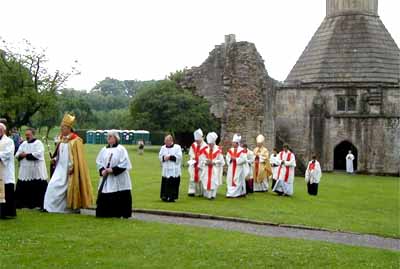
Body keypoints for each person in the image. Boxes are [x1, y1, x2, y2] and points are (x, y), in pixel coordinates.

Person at [43, 114, 93, 213]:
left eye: (63, 127)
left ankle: (69, 208)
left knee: (69, 189)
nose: (61, 129)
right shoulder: (61, 140)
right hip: (60, 169)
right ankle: (50, 207)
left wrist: (72, 166)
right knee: (52, 185)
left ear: (69, 128)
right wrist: (55, 159)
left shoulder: (76, 141)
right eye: (61, 127)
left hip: (70, 170)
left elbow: (77, 157)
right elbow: (60, 154)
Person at [96, 130, 132, 218]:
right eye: (108, 136)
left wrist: (112, 170)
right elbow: (98, 162)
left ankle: (119, 213)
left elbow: (125, 162)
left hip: (119, 177)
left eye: (111, 136)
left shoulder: (121, 149)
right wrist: (102, 170)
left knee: (119, 194)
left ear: (116, 138)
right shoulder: (103, 150)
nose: (108, 138)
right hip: (106, 178)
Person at [14, 128, 48, 209]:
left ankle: (38, 204)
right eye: (26, 135)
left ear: (33, 134)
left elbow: (39, 154)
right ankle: (22, 204)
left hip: (36, 169)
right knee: (23, 186)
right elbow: (17, 154)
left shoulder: (38, 143)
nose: (27, 137)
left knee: (38, 186)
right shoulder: (24, 144)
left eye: (28, 135)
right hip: (25, 169)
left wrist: (26, 155)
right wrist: (20, 155)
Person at [199, 132, 225, 199]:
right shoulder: (205, 150)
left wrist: (213, 162)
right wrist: (205, 162)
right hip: (206, 169)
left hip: (214, 169)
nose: (210, 145)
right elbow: (201, 159)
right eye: (209, 144)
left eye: (211, 144)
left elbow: (221, 161)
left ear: (214, 143)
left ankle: (213, 195)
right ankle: (207, 194)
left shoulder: (218, 150)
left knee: (214, 181)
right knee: (206, 180)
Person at [159, 135, 182, 202]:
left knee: (173, 182)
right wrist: (164, 158)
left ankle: (172, 197)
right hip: (166, 168)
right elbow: (160, 156)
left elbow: (179, 157)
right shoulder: (163, 147)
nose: (165, 142)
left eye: (166, 141)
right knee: (165, 182)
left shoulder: (177, 147)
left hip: (174, 168)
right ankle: (164, 196)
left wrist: (170, 157)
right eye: (165, 141)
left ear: (171, 141)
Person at [0, 123, 16, 219]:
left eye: (1, 129)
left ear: (4, 130)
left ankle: (7, 212)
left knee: (7, 190)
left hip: (5, 170)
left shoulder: (9, 141)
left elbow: (8, 153)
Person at [187, 129, 208, 197]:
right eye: (196, 141)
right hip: (193, 164)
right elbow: (191, 153)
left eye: (198, 141)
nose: (197, 142)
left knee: (201, 178)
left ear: (201, 138)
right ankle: (192, 191)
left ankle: (200, 192)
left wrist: (199, 163)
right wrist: (193, 158)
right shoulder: (194, 145)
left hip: (201, 165)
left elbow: (205, 156)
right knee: (192, 177)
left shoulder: (205, 146)